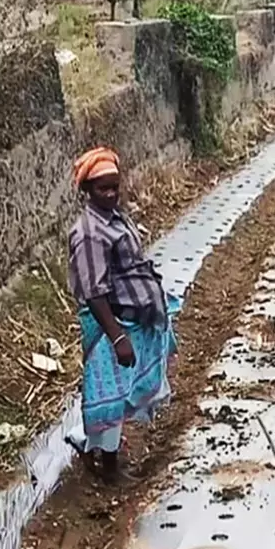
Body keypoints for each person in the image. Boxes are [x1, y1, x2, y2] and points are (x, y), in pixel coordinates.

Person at [66, 147, 176, 485]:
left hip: (131, 317)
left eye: (115, 186)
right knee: (111, 398)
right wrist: (117, 337)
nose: (111, 194)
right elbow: (94, 293)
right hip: (111, 323)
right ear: (87, 190)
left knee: (122, 392)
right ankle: (110, 469)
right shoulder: (89, 233)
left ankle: (89, 445)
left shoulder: (116, 217)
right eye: (103, 188)